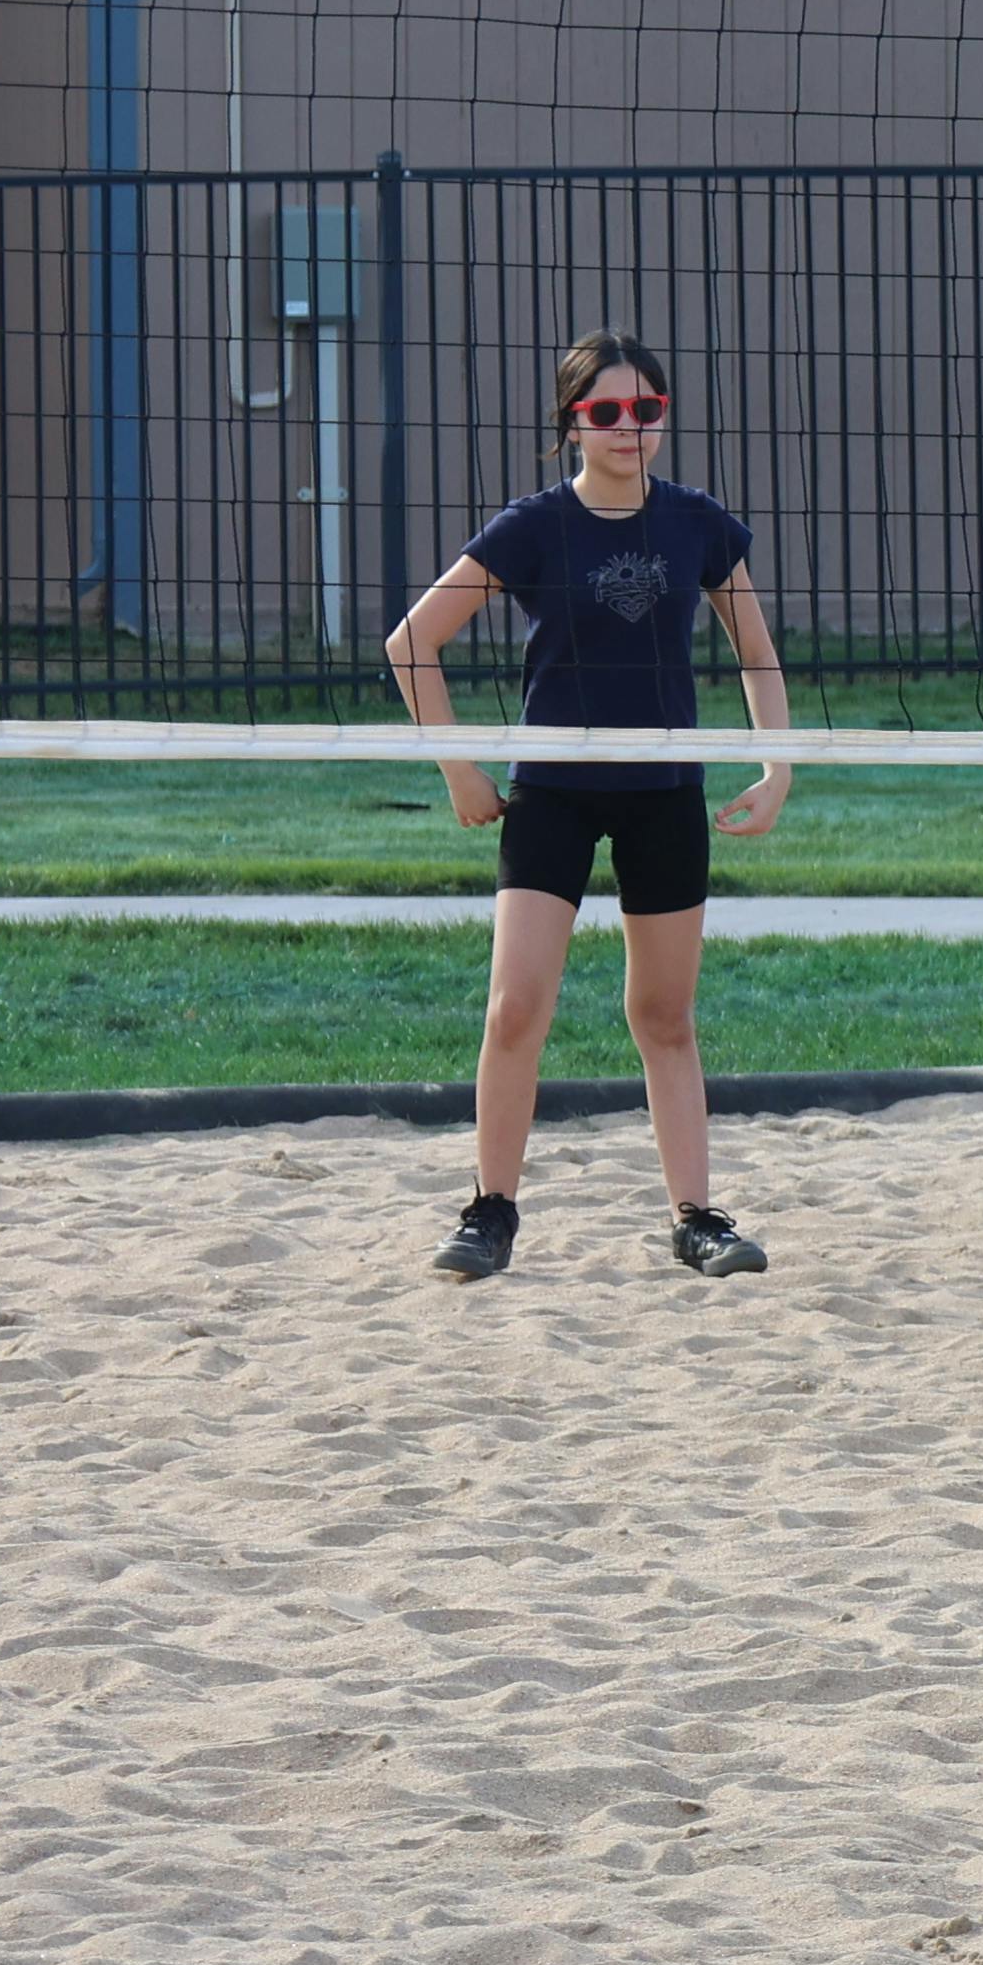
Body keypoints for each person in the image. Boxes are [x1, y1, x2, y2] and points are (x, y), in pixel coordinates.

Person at [384, 331, 795, 1284]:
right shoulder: (533, 526)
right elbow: (413, 645)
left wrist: (778, 770)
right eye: (606, 412)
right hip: (555, 790)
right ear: (572, 422)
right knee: (514, 1008)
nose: (629, 429)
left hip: (664, 790)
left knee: (663, 1014)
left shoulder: (697, 523)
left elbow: (758, 657)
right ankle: (490, 1212)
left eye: (646, 411)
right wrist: (459, 769)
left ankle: (696, 1220)